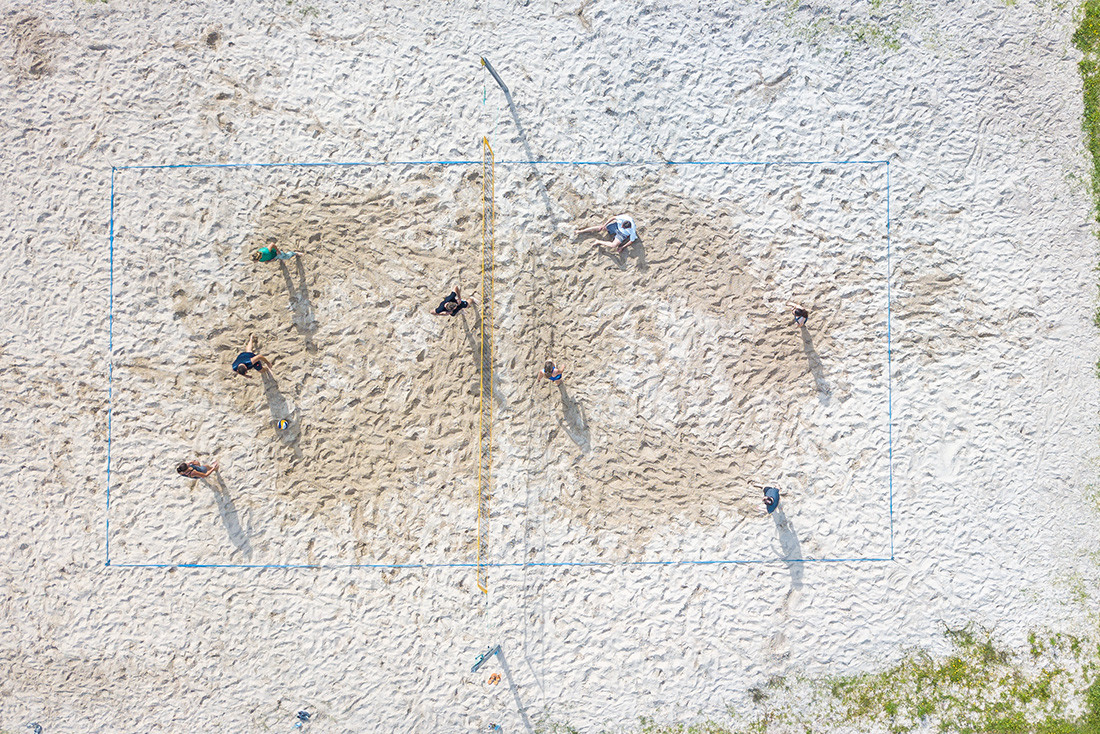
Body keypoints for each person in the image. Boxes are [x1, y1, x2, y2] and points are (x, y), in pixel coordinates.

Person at [574, 213, 639, 252]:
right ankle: (581, 231)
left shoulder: (632, 230)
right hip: (616, 226)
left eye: (623, 227)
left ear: (628, 228)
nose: (622, 227)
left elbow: (631, 240)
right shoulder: (625, 218)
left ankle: (598, 241)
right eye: (622, 225)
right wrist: (604, 225)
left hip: (622, 234)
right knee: (600, 228)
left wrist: (622, 247)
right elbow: (613, 218)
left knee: (613, 245)